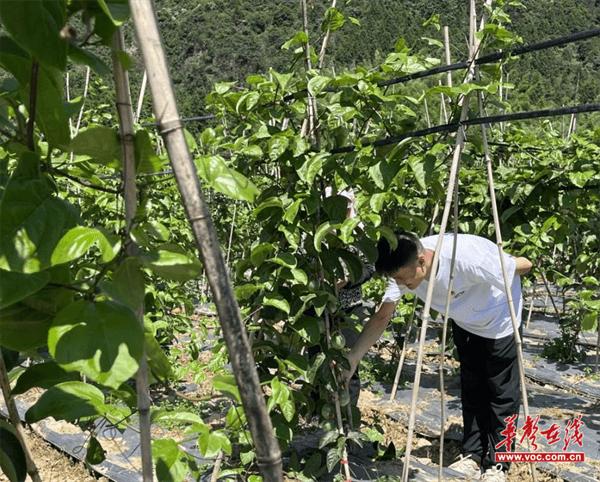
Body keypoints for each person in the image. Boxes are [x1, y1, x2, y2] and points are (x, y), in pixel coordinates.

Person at [344, 231, 532, 481]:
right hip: (465, 320)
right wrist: (353, 358)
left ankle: (498, 464)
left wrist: (505, 264)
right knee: (472, 386)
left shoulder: (468, 260)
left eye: (403, 278)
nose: (401, 284)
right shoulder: (401, 270)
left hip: (499, 320)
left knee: (501, 394)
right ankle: (473, 454)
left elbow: (525, 264)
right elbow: (382, 316)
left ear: (422, 260)